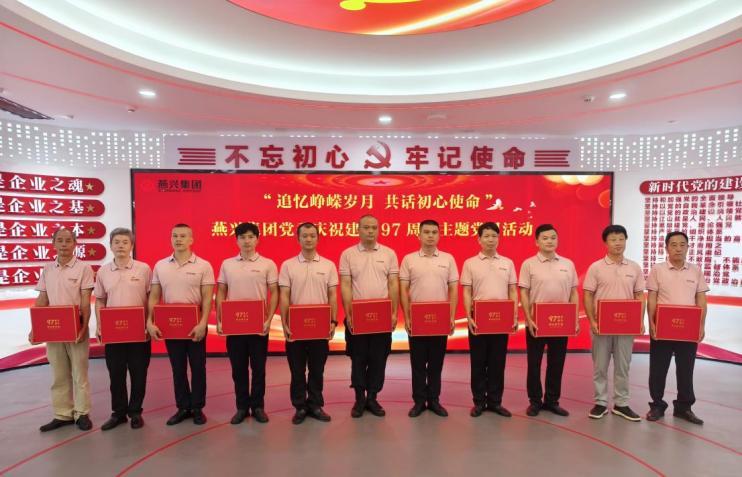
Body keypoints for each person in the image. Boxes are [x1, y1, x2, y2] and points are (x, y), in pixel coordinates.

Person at [146, 224, 215, 426]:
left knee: (198, 368)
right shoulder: (160, 266)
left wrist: (203, 323)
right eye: (175, 236)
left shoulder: (203, 265)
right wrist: (150, 321)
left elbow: (207, 298)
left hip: (196, 326)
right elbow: (154, 296)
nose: (178, 239)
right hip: (171, 326)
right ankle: (183, 407)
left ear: (191, 240)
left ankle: (198, 408)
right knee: (178, 368)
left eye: (183, 236)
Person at [31, 228, 94, 432]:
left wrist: (84, 327)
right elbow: (42, 299)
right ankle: (62, 414)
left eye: (68, 240)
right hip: (54, 331)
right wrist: (35, 328)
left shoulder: (84, 268)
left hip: (76, 329)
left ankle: (82, 413)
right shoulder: (48, 269)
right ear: (53, 244)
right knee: (59, 374)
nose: (64, 244)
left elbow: (85, 301)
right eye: (60, 240)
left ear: (75, 244)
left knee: (79, 374)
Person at [215, 222, 278, 424]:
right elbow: (221, 291)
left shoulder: (267, 264)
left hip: (259, 326)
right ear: (236, 241)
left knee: (259, 369)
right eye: (242, 237)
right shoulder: (227, 264)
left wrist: (269, 319)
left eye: (251, 237)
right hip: (235, 326)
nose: (247, 241)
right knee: (238, 369)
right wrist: (220, 318)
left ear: (257, 239)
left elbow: (274, 292)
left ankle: (258, 407)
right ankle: (242, 407)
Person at [583, 224, 645, 422]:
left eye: (621, 239)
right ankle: (600, 402)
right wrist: (592, 321)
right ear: (605, 243)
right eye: (613, 239)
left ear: (626, 241)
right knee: (600, 366)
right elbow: (588, 295)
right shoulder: (596, 267)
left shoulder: (634, 267)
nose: (618, 243)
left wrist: (639, 320)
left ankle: (621, 403)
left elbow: (639, 295)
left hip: (626, 327)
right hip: (601, 326)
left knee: (623, 366)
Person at [646, 231, 709, 425]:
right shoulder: (658, 269)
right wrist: (652, 323)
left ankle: (684, 407)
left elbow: (701, 299)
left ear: (688, 247)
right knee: (658, 369)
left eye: (682, 244)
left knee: (686, 369)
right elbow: (652, 298)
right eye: (673, 245)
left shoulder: (695, 270)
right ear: (666, 248)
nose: (678, 248)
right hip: (663, 328)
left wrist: (701, 325)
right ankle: (657, 405)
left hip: (687, 330)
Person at [340, 215, 399, 418]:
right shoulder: (348, 254)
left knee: (378, 359)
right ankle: (359, 399)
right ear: (358, 230)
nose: (370, 231)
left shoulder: (389, 254)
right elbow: (346, 284)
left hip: (381, 317)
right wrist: (349, 313)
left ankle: (372, 397)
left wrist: (393, 312)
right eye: (366, 227)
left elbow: (393, 283)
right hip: (357, 317)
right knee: (358, 358)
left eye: (374, 227)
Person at [279, 222, 338, 424]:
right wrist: (285, 322)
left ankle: (315, 405)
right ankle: (300, 407)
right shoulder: (288, 265)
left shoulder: (328, 265)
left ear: (318, 238)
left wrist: (333, 320)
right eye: (304, 236)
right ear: (298, 239)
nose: (309, 239)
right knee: (297, 371)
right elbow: (284, 295)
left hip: (320, 328)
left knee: (317, 370)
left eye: (312, 235)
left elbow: (332, 295)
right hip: (295, 328)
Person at [94, 228, 153, 430]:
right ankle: (118, 413)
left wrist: (149, 322)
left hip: (139, 333)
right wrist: (100, 324)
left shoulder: (143, 269)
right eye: (116, 242)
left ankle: (135, 412)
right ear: (110, 245)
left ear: (132, 246)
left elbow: (151, 298)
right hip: (114, 334)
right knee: (116, 375)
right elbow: (100, 300)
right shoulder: (103, 271)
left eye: (125, 242)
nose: (120, 246)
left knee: (139, 374)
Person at [400, 219, 458, 418]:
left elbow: (453, 289)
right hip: (417, 321)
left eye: (434, 232)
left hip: (439, 321)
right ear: (419, 235)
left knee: (436, 363)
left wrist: (451, 316)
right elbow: (403, 289)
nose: (430, 235)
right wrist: (407, 316)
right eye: (426, 232)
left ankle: (434, 400)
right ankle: (418, 401)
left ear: (439, 235)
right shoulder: (409, 259)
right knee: (417, 364)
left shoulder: (448, 259)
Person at [519, 224, 579, 417]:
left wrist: (574, 318)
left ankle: (552, 401)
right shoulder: (529, 264)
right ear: (537, 241)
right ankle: (535, 401)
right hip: (536, 322)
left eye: (553, 237)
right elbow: (524, 293)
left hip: (561, 322)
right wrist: (528, 318)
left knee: (556, 363)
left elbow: (573, 292)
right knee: (534, 363)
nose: (549, 241)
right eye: (545, 238)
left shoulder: (567, 264)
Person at [461, 222, 518, 418]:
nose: (490, 239)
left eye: (494, 236)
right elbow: (467, 291)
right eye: (486, 236)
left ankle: (495, 402)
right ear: (479, 239)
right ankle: (478, 402)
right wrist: (468, 316)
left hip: (501, 321)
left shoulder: (507, 263)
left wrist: (514, 315)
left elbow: (512, 290)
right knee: (478, 363)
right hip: (478, 320)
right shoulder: (470, 263)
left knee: (497, 363)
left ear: (498, 239)